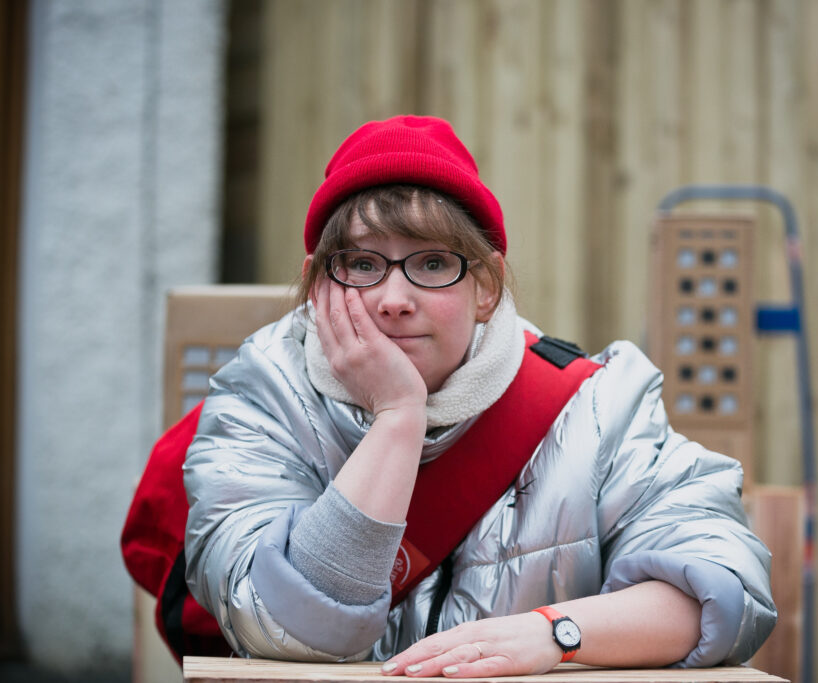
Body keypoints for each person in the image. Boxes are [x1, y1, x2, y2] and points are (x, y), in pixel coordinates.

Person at [183, 115, 775, 677]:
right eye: (362, 264)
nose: (394, 298)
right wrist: (397, 416)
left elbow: (727, 588)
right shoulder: (262, 395)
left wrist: (554, 634)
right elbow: (282, 625)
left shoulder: (597, 406)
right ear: (317, 286)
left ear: (486, 287)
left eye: (433, 261)